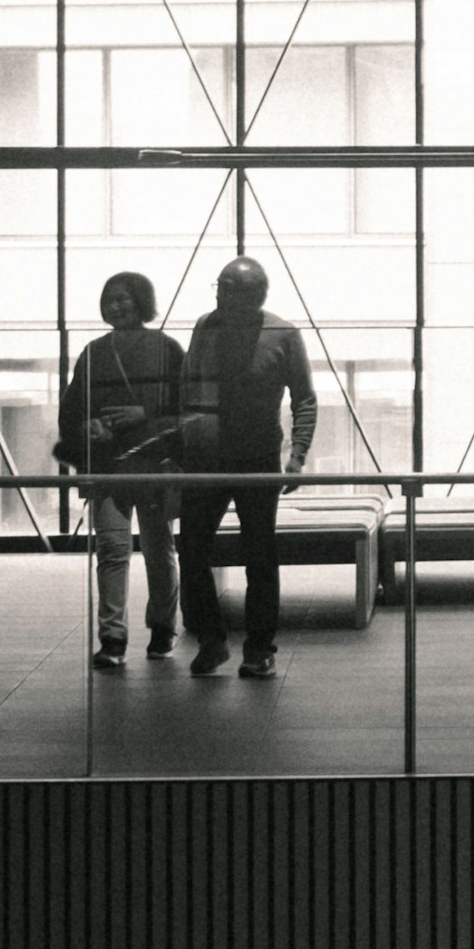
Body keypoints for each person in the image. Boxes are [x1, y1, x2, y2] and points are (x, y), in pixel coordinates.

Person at [182, 255, 318, 676]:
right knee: (190, 549)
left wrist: (296, 456)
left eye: (229, 289)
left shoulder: (283, 333)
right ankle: (211, 640)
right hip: (206, 458)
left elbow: (304, 398)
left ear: (254, 295)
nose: (221, 295)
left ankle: (259, 648)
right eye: (219, 287)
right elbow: (190, 387)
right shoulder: (207, 325)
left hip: (259, 460)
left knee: (259, 555)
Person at [62, 267, 188, 665]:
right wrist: (87, 426)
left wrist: (142, 414)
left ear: (141, 302)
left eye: (123, 298)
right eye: (109, 299)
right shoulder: (99, 352)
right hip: (116, 464)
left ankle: (159, 629)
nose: (115, 306)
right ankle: (116, 637)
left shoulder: (164, 349)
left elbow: (187, 411)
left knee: (155, 548)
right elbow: (72, 411)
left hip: (148, 464)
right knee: (117, 549)